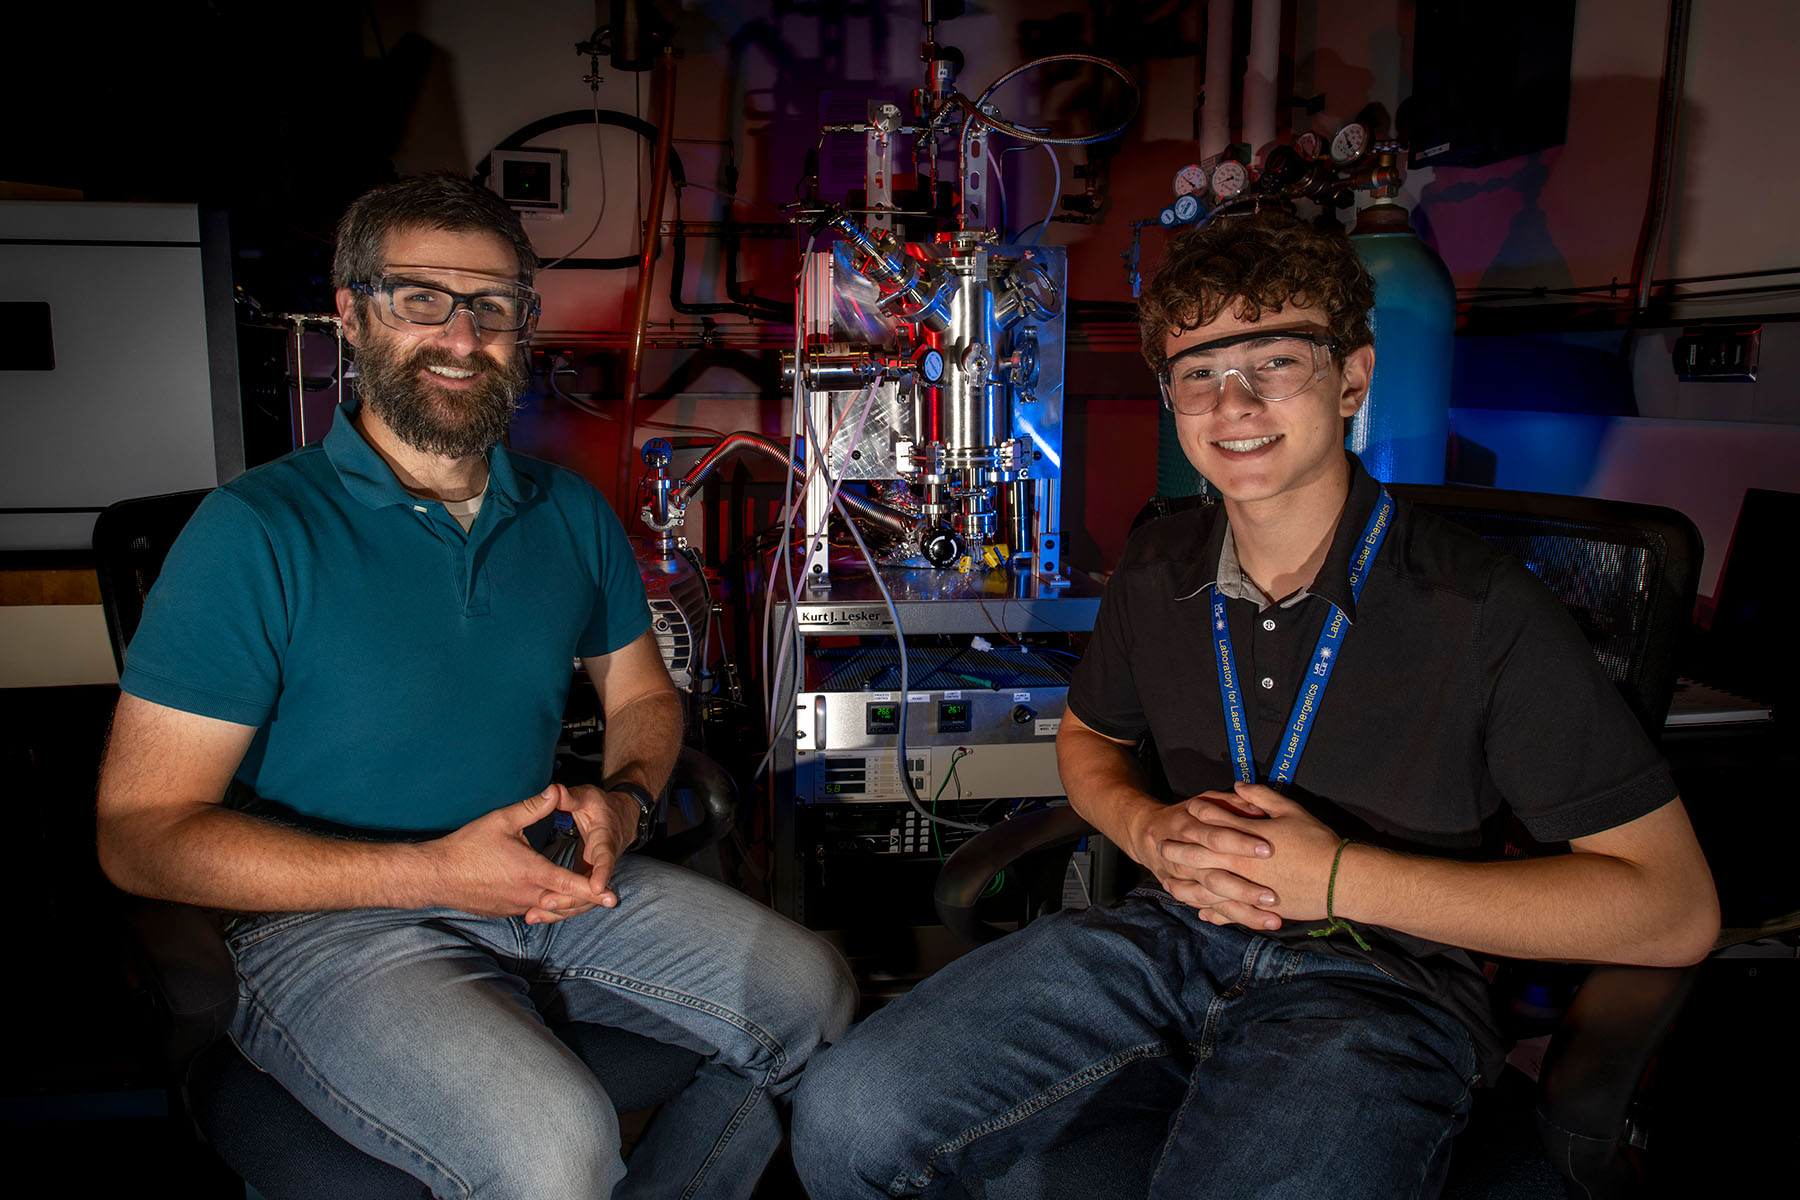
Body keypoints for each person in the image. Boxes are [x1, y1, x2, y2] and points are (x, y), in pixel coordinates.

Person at [789, 210, 1718, 1198]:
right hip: (1165, 938)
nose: (1232, 399)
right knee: (846, 1120)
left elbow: (1671, 910)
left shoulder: (1483, 610)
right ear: (1172, 398)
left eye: (1274, 360)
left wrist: (1338, 880)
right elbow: (1092, 739)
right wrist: (1148, 830)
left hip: (1379, 986)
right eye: (1198, 370)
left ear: (1352, 377)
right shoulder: (1158, 564)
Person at [96, 173, 855, 1200]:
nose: (462, 336)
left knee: (813, 998)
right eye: (422, 299)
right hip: (328, 920)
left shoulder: (569, 514)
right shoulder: (253, 533)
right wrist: (429, 874)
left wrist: (623, 801)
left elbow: (641, 700)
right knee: (556, 1146)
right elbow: (139, 835)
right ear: (353, 314)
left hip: (538, 879)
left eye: (493, 306)